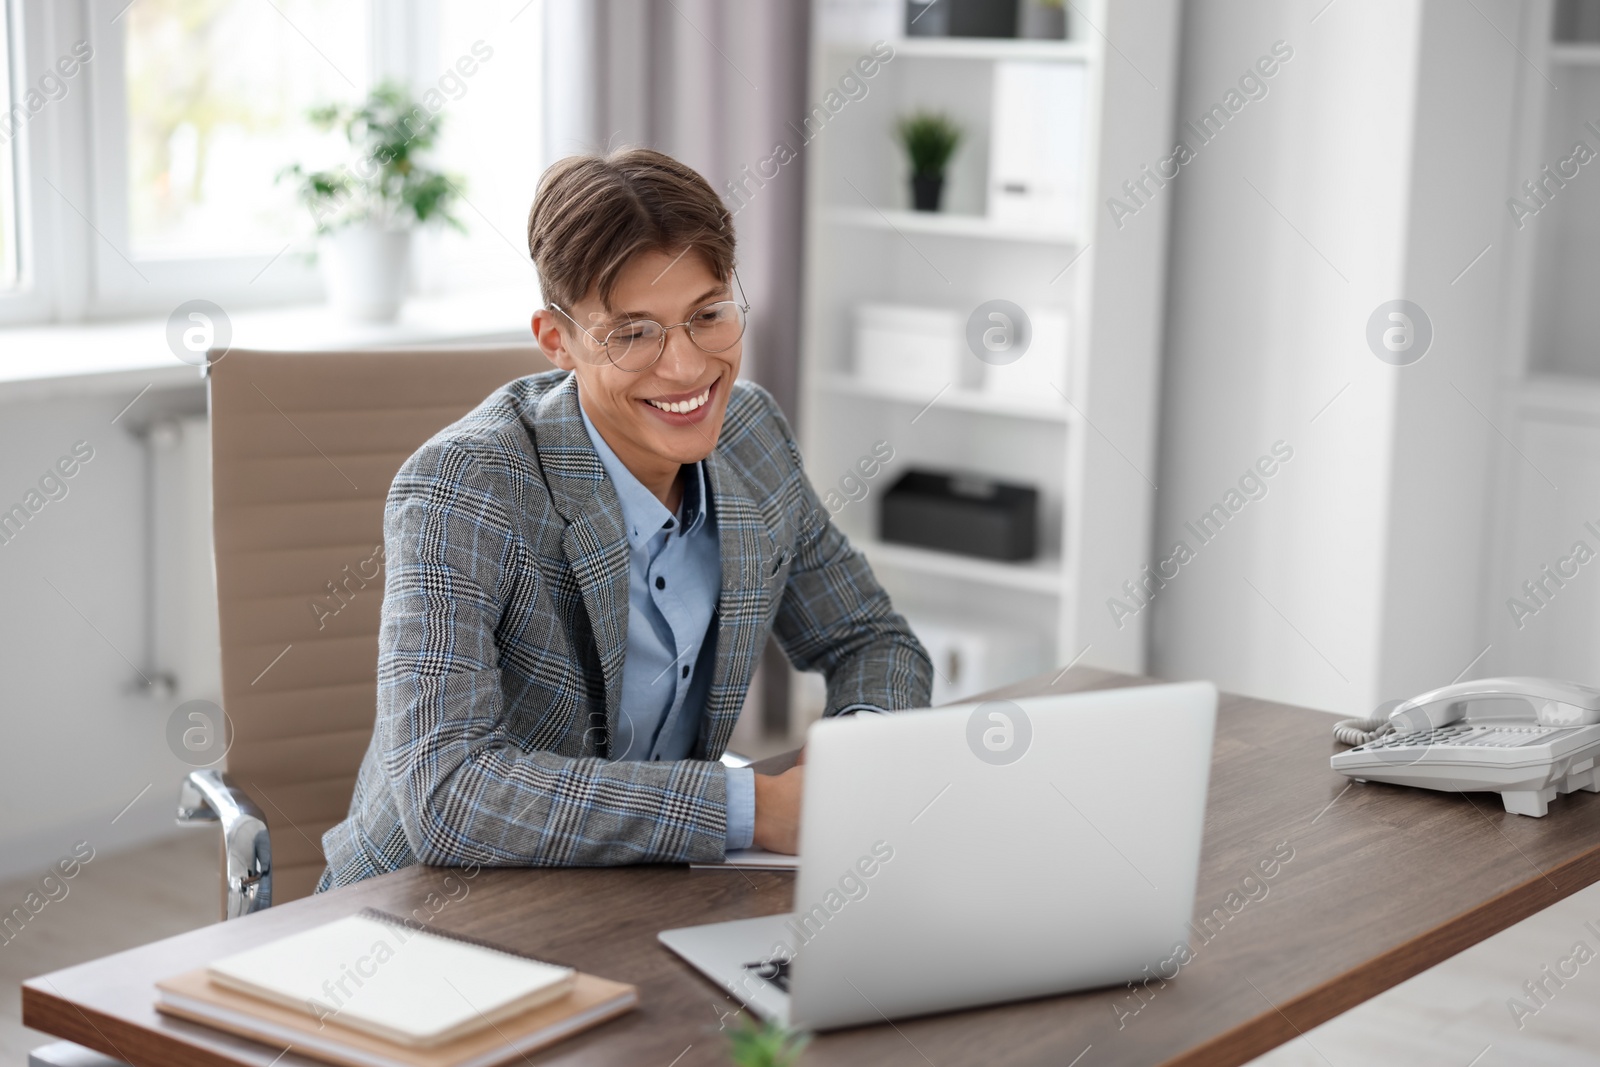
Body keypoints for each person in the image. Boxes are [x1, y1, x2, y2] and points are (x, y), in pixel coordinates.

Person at [318, 148, 931, 888]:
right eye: (634, 333)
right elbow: (450, 793)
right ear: (558, 340)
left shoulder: (753, 436)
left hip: (644, 889)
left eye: (708, 315)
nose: (686, 367)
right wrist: (749, 808)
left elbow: (871, 638)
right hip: (433, 905)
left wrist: (854, 768)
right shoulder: (463, 487)